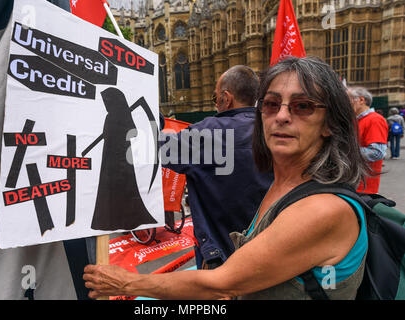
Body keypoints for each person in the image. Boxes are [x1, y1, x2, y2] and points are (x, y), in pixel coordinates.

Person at [83, 57, 370, 300]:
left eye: (303, 106)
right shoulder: (286, 182)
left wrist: (126, 283)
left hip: (223, 271)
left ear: (330, 124)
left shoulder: (322, 209)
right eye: (271, 104)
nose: (282, 116)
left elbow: (222, 283)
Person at [159, 65, 273, 270]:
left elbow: (149, 148)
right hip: (270, 251)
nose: (216, 105)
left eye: (215, 99)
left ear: (226, 98)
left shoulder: (209, 133)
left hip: (223, 256)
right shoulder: (276, 128)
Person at [347, 86, 388, 194]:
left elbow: (377, 153)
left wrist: (345, 151)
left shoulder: (375, 120)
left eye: (348, 99)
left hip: (364, 187)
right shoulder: (356, 120)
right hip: (353, 183)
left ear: (361, 100)